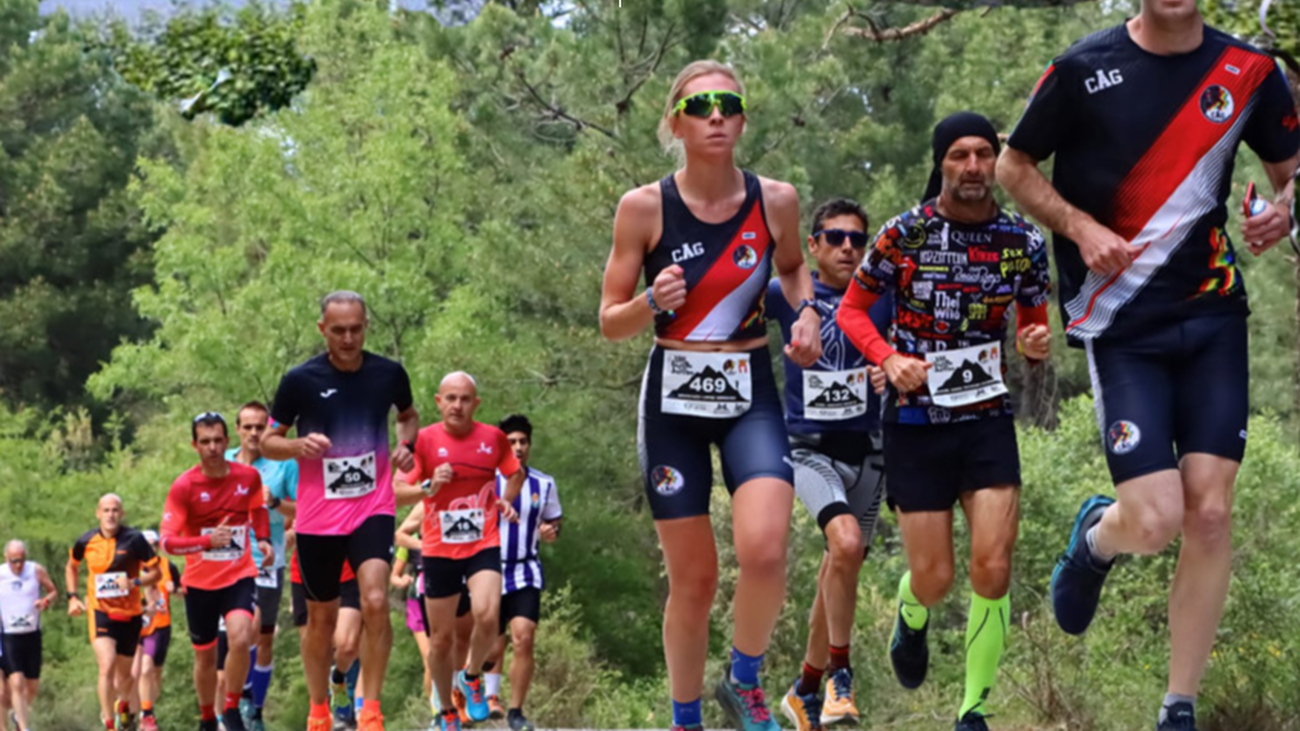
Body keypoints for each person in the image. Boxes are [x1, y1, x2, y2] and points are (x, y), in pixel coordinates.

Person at [996, 1, 1300, 726]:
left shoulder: (1250, 72)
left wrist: (1284, 210)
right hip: (1120, 319)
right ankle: (1099, 535)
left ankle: (1178, 705)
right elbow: (1014, 164)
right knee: (1158, 517)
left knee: (1213, 512)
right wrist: (1079, 225)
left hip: (1214, 310)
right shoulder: (1081, 68)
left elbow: (1290, 174)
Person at [599, 59, 821, 731]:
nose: (717, 115)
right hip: (674, 398)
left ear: (744, 118)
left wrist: (807, 313)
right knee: (693, 582)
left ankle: (745, 678)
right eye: (701, 107)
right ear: (677, 124)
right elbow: (610, 320)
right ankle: (684, 716)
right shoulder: (643, 208)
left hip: (749, 389)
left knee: (766, 550)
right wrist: (649, 301)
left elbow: (792, 267)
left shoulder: (775, 199)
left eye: (728, 104)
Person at [837, 112, 1052, 731]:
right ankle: (912, 613)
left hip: (985, 418)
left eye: (984, 154)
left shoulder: (1022, 242)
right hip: (916, 421)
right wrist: (888, 357)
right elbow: (853, 312)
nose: (974, 167)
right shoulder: (903, 234)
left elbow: (1034, 325)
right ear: (942, 163)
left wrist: (1035, 342)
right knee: (934, 579)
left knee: (994, 565)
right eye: (959, 155)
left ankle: (973, 709)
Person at [263, 290, 420, 731]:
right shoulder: (300, 380)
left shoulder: (388, 373)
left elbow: (408, 415)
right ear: (322, 330)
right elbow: (269, 441)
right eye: (339, 331)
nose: (348, 338)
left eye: (356, 329)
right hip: (319, 517)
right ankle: (318, 708)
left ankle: (370, 707)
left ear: (365, 325)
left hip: (372, 507)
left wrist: (406, 446)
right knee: (321, 620)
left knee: (374, 599)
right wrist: (296, 445)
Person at [767, 198, 888, 731]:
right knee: (845, 545)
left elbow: (913, 350)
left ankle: (805, 690)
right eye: (835, 237)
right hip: (809, 450)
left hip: (871, 452)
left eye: (857, 240)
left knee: (840, 569)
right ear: (812, 245)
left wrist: (895, 367)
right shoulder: (785, 294)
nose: (847, 248)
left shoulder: (883, 298)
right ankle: (841, 678)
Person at [398, 372, 523, 731]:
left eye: (465, 399)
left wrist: (504, 501)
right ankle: (447, 709)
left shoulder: (493, 439)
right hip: (439, 549)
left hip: (483, 541)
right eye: (450, 398)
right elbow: (394, 492)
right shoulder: (423, 441)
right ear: (438, 401)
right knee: (441, 640)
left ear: (476, 403)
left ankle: (471, 677)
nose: (457, 405)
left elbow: (515, 473)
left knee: (488, 616)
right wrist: (427, 486)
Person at [160, 411, 273, 731]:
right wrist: (205, 541)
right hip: (199, 582)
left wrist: (263, 540)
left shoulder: (247, 477)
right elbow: (167, 542)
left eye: (218, 440)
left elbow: (257, 509)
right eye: (205, 441)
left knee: (240, 636)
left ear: (227, 441)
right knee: (205, 657)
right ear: (194, 445)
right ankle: (208, 716)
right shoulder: (184, 486)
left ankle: (233, 706)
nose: (212, 447)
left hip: (239, 574)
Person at [482, 415, 563, 731]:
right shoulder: (487, 480)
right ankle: (485, 697)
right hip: (488, 570)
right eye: (511, 442)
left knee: (524, 637)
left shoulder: (544, 484)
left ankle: (516, 711)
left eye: (523, 442)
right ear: (502, 445)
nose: (518, 448)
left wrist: (551, 530)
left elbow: (554, 521)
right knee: (491, 644)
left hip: (525, 569)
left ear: (530, 445)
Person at [226, 401, 298, 731]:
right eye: (248, 427)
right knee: (244, 631)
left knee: (264, 640)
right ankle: (239, 697)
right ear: (238, 430)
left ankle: (254, 709)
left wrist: (274, 503)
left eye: (260, 427)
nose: (254, 433)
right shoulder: (222, 462)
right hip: (229, 562)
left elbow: (300, 511)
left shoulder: (284, 465)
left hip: (270, 561)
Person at [68, 493, 161, 731]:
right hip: (100, 611)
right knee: (106, 665)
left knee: (126, 676)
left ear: (122, 514)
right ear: (98, 513)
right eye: (106, 510)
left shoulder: (134, 540)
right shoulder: (86, 540)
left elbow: (156, 573)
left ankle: (123, 704)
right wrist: (73, 597)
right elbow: (72, 566)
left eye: (115, 510)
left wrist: (135, 583)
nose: (110, 515)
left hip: (130, 613)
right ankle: (109, 724)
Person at [395, 502, 475, 727]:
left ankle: (456, 699)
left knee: (457, 646)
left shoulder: (465, 505)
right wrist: (401, 578)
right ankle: (438, 711)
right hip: (420, 592)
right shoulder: (422, 509)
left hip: (456, 585)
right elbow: (399, 544)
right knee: (432, 654)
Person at [286, 549, 362, 729]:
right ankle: (321, 713)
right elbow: (283, 529)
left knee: (347, 645)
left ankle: (337, 678)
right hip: (306, 573)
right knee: (315, 653)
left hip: (346, 573)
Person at [0, 540, 57, 731]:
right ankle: (24, 728)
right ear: (5, 558)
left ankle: (18, 714)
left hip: (31, 633)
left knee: (32, 686)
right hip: (8, 635)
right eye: (14, 561)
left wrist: (45, 601)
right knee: (16, 681)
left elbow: (53, 591)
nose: (18, 565)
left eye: (21, 560)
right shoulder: (1, 574)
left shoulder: (35, 570)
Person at [135, 531, 182, 731]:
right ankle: (142, 713)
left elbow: (182, 592)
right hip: (138, 626)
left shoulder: (168, 566)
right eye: (146, 546)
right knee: (139, 670)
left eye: (153, 545)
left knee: (155, 673)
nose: (150, 549)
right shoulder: (131, 567)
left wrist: (175, 590)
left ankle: (147, 710)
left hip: (161, 625)